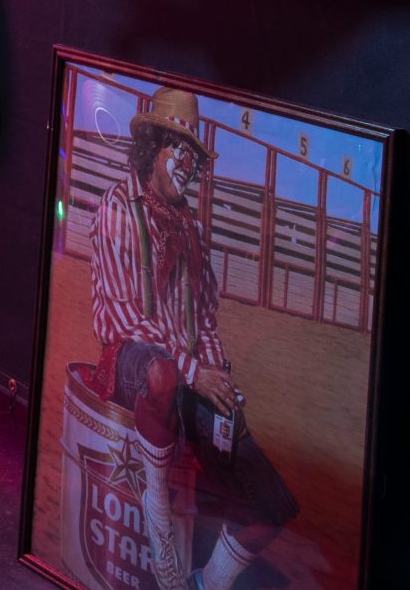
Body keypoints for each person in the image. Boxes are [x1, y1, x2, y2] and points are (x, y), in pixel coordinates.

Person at [88, 87, 300, 590]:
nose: (186, 162)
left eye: (193, 155)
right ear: (153, 149)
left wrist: (221, 381)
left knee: (272, 507)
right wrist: (191, 371)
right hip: (131, 364)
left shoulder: (192, 229)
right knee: (161, 372)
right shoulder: (119, 206)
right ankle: (161, 532)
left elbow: (203, 320)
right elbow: (124, 318)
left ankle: (203, 584)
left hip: (186, 376)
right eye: (177, 148)